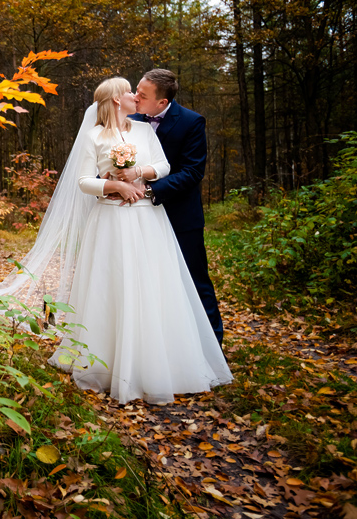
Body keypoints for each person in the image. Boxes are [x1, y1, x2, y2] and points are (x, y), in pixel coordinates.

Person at [46, 77, 231, 404]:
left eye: (139, 92)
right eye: (130, 91)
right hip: (111, 219)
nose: (134, 95)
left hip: (148, 219)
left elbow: (165, 165)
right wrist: (115, 186)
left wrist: (138, 173)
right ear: (117, 100)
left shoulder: (144, 131)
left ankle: (169, 359)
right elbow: (84, 180)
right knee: (113, 286)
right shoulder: (94, 136)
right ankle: (110, 362)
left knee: (155, 286)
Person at [116, 69, 225, 347]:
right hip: (139, 218)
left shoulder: (191, 122)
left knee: (195, 280)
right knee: (150, 282)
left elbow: (191, 172)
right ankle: (162, 347)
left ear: (162, 103)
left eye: (142, 94)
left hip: (180, 216)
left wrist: (149, 191)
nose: (135, 97)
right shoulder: (130, 119)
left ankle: (212, 347)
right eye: (136, 90)